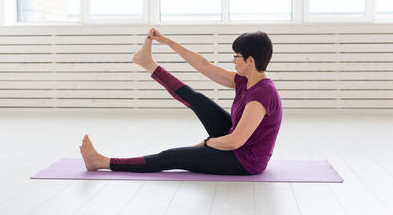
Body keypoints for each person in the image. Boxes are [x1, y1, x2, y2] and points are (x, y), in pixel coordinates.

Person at [79, 28, 282, 175]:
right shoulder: (245, 81)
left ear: (250, 61)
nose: (233, 60)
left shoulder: (262, 94)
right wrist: (167, 42)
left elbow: (235, 141)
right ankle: (148, 63)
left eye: (236, 56)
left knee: (171, 157)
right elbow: (203, 65)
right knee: (198, 99)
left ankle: (102, 162)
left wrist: (207, 144)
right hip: (237, 144)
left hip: (245, 160)